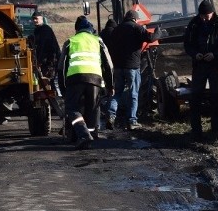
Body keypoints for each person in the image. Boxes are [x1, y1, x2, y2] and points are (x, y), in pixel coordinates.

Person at [57, 16, 114, 149]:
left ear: (77, 29)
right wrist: (111, 85)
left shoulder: (70, 41)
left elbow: (61, 67)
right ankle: (92, 137)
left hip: (75, 79)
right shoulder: (98, 40)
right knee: (92, 109)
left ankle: (84, 135)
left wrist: (62, 88)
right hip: (95, 80)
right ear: (91, 29)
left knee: (72, 108)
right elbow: (108, 65)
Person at [183, 0, 218, 141]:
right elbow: (187, 44)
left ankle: (215, 130)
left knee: (215, 98)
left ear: (212, 13)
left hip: (215, 66)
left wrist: (215, 54)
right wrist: (195, 54)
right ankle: (196, 131)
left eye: (206, 16)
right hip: (199, 66)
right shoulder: (194, 24)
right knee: (195, 99)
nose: (204, 18)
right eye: (202, 16)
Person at [106, 9, 163, 130]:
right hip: (132, 67)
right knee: (133, 93)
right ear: (135, 19)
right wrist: (158, 31)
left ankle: (111, 115)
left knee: (117, 93)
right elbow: (151, 38)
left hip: (118, 67)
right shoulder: (137, 28)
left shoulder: (116, 30)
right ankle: (132, 121)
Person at [30, 11, 61, 79]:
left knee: (48, 81)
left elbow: (43, 46)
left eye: (36, 18)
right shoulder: (37, 30)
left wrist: (39, 61)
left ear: (41, 18)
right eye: (33, 19)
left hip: (49, 61)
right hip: (45, 60)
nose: (35, 20)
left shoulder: (45, 29)